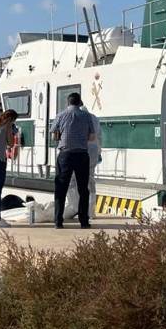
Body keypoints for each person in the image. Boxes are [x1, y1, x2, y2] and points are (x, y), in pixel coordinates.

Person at [52, 92, 95, 229]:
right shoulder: (87, 116)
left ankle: (58, 221)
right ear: (79, 102)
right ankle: (84, 221)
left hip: (65, 154)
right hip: (82, 154)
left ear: (68, 102)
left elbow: (54, 136)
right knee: (83, 189)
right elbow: (92, 137)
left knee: (61, 188)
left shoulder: (61, 115)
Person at [64, 102, 102, 219]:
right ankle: (90, 212)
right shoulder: (94, 118)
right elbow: (100, 136)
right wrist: (99, 152)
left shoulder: (74, 117)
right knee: (90, 181)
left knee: (72, 180)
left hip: (79, 151)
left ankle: (74, 207)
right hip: (93, 152)